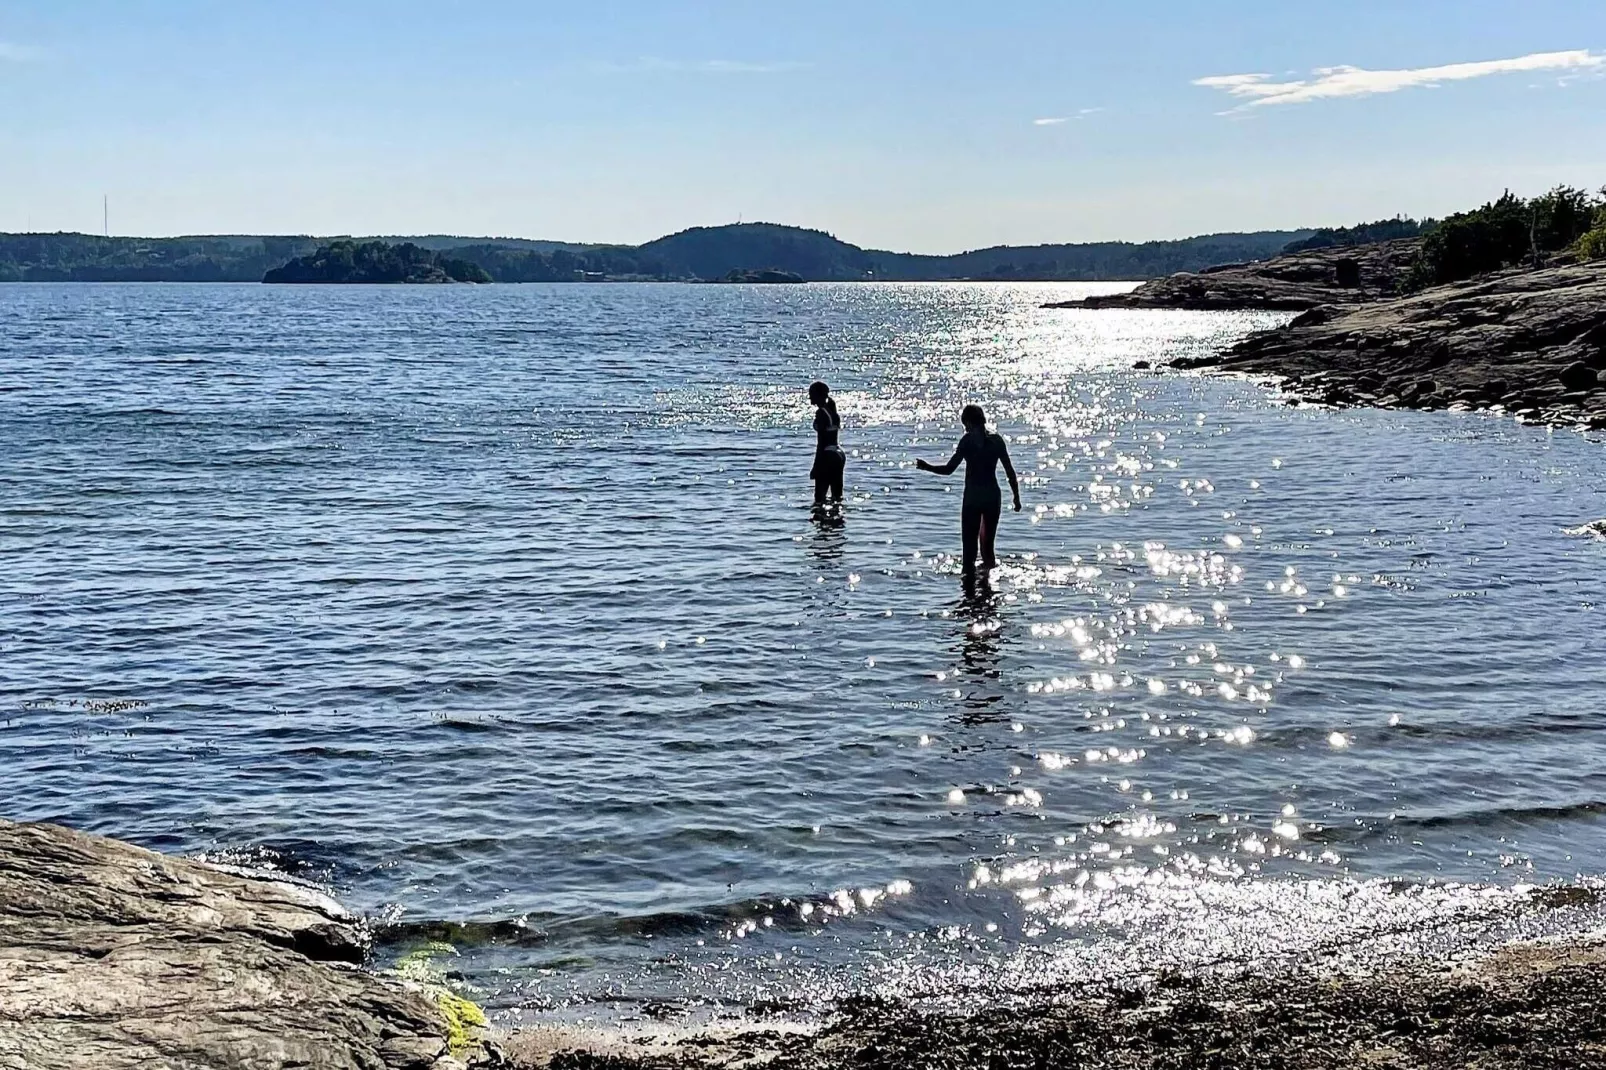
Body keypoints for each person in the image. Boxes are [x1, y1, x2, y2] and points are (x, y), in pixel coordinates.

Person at [916, 404, 1021, 575]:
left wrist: (927, 467)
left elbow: (949, 469)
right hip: (992, 497)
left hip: (972, 498)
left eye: (965, 425)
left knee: (969, 553)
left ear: (970, 423)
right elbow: (1010, 471)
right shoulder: (996, 441)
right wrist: (1016, 497)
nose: (965, 429)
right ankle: (988, 592)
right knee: (988, 550)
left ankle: (969, 595)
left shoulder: (967, 442)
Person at [807, 381, 845, 506]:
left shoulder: (821, 413)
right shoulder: (833, 412)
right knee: (837, 497)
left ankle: (821, 523)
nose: (810, 397)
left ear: (818, 395)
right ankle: (837, 522)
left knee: (819, 498)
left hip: (828, 456)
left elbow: (821, 443)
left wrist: (815, 466)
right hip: (838, 454)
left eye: (811, 394)